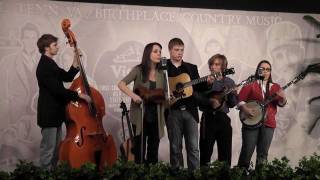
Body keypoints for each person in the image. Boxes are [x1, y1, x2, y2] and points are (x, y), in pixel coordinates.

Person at [36, 34, 91, 169]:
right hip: (48, 115)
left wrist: (75, 61)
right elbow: (58, 91)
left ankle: (52, 174)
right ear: (46, 48)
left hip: (56, 114)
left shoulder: (50, 63)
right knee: (48, 150)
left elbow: (67, 77)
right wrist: (80, 96)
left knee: (55, 151)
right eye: (54, 45)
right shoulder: (44, 66)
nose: (58, 47)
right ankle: (45, 176)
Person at [118, 42, 166, 164]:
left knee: (153, 150)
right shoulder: (138, 70)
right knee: (139, 149)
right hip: (140, 115)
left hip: (156, 115)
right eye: (155, 51)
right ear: (147, 53)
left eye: (160, 52)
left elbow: (164, 94)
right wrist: (133, 96)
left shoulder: (162, 73)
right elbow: (121, 84)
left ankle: (152, 174)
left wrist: (168, 96)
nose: (159, 54)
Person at [165, 38, 209, 170]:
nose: (180, 53)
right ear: (170, 50)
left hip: (190, 111)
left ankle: (194, 174)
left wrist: (208, 82)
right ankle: (177, 175)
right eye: (176, 50)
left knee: (193, 148)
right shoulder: (163, 67)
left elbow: (199, 87)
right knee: (175, 147)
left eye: (182, 50)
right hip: (173, 111)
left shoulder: (191, 68)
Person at [237, 60, 287, 171]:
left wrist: (283, 98)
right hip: (251, 121)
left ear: (270, 72)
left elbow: (280, 103)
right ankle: (240, 175)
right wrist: (245, 109)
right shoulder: (251, 84)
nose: (265, 71)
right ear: (258, 70)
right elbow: (240, 99)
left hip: (268, 123)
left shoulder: (275, 87)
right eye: (262, 69)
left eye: (268, 69)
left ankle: (261, 175)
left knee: (263, 154)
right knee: (247, 151)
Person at [198, 54, 238, 167]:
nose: (214, 67)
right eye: (213, 64)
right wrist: (210, 101)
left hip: (223, 119)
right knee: (205, 152)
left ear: (224, 67)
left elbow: (232, 104)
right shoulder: (204, 81)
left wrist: (233, 94)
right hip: (208, 118)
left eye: (218, 65)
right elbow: (199, 101)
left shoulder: (229, 82)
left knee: (225, 154)